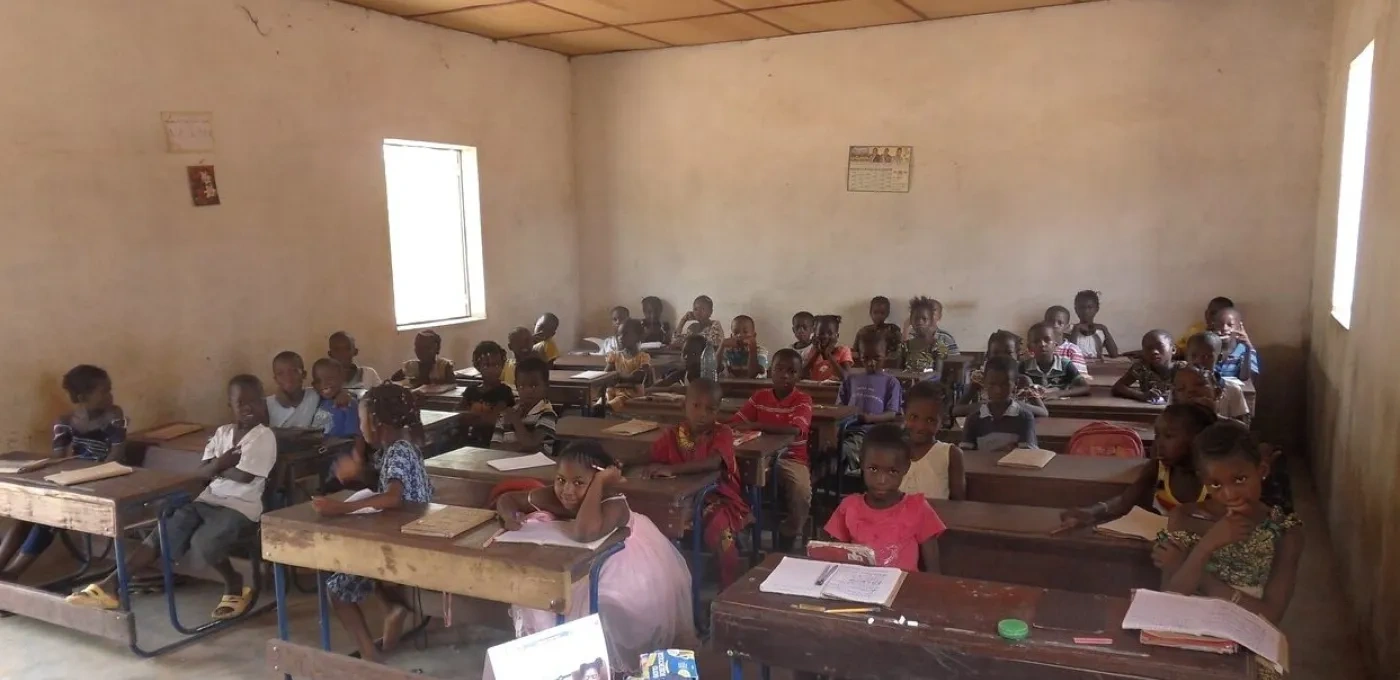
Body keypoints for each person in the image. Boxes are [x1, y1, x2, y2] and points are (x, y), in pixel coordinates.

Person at [67, 374, 275, 620]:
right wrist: (221, 464)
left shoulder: (264, 436)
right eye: (241, 402)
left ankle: (235, 583)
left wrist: (215, 467)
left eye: (254, 400)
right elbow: (201, 473)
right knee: (166, 529)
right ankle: (110, 586)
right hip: (207, 499)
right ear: (230, 405)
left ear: (263, 402)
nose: (248, 407)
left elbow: (243, 477)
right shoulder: (222, 433)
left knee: (203, 542)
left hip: (241, 507)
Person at [496, 442, 696, 675]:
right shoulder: (554, 495)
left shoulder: (614, 502)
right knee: (544, 594)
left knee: (604, 608)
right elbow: (508, 499)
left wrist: (601, 483)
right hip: (582, 564)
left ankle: (605, 667)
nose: (567, 490)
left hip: (626, 569)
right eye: (561, 480)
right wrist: (508, 515)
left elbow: (584, 533)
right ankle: (563, 666)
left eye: (579, 483)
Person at [317, 383, 433, 663]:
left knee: (337, 589)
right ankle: (395, 609)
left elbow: (393, 497)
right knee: (363, 558)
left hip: (405, 543)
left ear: (375, 422)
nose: (360, 428)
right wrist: (358, 476)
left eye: (361, 420)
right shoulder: (399, 447)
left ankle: (370, 654)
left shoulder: (399, 450)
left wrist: (342, 508)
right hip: (405, 536)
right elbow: (389, 486)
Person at [1155, 420, 1303, 633]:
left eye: (1240, 479)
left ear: (1261, 470)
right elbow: (1169, 598)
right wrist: (1209, 543)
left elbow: (1269, 617)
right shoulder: (1184, 517)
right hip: (1186, 631)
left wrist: (1197, 571)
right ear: (1203, 481)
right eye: (1216, 484)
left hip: (1248, 639)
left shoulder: (1285, 531)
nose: (1229, 494)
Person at [0, 365, 127, 581]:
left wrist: (85, 475)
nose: (110, 395)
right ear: (82, 396)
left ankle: (13, 573)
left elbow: (116, 456)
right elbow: (59, 459)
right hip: (74, 481)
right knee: (27, 514)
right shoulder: (65, 422)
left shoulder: (113, 416)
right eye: (104, 391)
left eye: (109, 389)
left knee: (48, 518)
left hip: (106, 481)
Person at [641, 379, 749, 587]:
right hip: (682, 497)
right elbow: (650, 454)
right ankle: (671, 581)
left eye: (710, 409)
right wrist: (619, 462)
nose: (702, 414)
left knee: (721, 531)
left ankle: (729, 588)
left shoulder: (722, 433)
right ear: (684, 405)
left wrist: (671, 469)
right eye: (696, 406)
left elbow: (713, 463)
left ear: (718, 411)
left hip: (717, 498)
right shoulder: (675, 434)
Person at [1058, 404, 1218, 529]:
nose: (1158, 444)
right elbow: (1124, 501)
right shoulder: (1159, 467)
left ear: (1198, 439)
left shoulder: (1216, 478)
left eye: (1169, 436)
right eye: (1157, 435)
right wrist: (1092, 512)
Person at [824, 424, 945, 573]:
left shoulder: (918, 508)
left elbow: (933, 571)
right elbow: (835, 559)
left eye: (892, 471)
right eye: (873, 469)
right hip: (857, 589)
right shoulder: (849, 507)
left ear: (906, 468)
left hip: (903, 591)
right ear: (861, 463)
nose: (881, 480)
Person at [729, 348, 812, 552]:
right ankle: (742, 526)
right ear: (769, 371)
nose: (784, 375)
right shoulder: (759, 397)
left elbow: (795, 430)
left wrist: (758, 426)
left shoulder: (803, 400)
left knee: (802, 492)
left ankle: (790, 530)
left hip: (791, 458)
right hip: (759, 457)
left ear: (799, 376)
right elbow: (736, 422)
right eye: (779, 369)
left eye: (792, 371)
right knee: (731, 476)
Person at [837, 335, 902, 473]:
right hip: (844, 429)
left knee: (843, 451)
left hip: (869, 433)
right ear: (859, 356)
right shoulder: (851, 379)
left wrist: (868, 418)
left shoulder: (891, 382)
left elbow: (891, 414)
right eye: (865, 358)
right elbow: (839, 408)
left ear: (886, 355)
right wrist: (847, 414)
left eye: (876, 358)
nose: (871, 363)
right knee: (823, 449)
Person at [955, 330, 1047, 418]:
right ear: (988, 356)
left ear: (1017, 355)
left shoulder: (1023, 381)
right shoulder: (980, 379)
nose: (1002, 357)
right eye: (996, 353)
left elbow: (1043, 412)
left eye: (1008, 353)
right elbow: (957, 410)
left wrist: (1015, 405)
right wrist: (984, 406)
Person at [901, 381, 965, 500]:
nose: (921, 426)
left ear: (943, 420)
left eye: (930, 420)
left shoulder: (950, 454)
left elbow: (958, 505)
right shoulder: (893, 450)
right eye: (914, 417)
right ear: (904, 414)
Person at [961, 356, 1038, 452]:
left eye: (1005, 384)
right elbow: (966, 455)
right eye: (992, 384)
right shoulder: (973, 419)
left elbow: (1026, 455)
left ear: (1015, 384)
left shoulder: (1024, 417)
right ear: (984, 383)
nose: (998, 390)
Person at [1178, 332, 1250, 422]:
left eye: (1207, 356)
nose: (1199, 361)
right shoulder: (1179, 387)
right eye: (1194, 356)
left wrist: (1214, 415)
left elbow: (1243, 428)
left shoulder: (1232, 390)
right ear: (1186, 357)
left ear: (1219, 358)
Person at [492, 357, 557, 455]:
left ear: (546, 386)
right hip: (506, 464)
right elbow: (493, 448)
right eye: (522, 386)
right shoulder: (506, 414)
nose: (528, 391)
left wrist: (515, 420)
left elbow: (530, 444)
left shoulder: (547, 415)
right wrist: (520, 447)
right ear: (516, 387)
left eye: (534, 386)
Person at [458, 341, 516, 446]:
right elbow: (458, 415)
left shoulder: (504, 391)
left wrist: (472, 417)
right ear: (477, 366)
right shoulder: (470, 391)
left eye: (497, 364)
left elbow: (494, 419)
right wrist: (478, 418)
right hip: (470, 441)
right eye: (487, 365)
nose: (493, 369)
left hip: (494, 440)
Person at [1022, 322, 1091, 398]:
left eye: (1047, 340)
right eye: (1036, 341)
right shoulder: (1023, 366)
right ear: (1029, 347)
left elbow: (1085, 388)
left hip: (1061, 407)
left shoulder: (1065, 364)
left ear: (1056, 345)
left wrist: (1057, 394)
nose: (1042, 344)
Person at [267, 351, 331, 430]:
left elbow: (332, 391)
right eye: (280, 373)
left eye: (294, 371)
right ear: (275, 379)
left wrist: (341, 394)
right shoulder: (268, 404)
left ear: (304, 374)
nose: (288, 377)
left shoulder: (314, 395)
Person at [1111, 330, 1177, 404]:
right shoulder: (1141, 368)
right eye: (1149, 348)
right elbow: (1118, 387)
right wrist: (1141, 395)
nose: (1154, 352)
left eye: (1160, 346)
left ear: (1173, 349)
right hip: (1148, 408)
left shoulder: (1182, 369)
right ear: (1143, 352)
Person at [604, 319, 652, 410]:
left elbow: (638, 377)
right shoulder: (615, 355)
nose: (620, 337)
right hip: (615, 389)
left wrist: (618, 377)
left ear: (638, 337)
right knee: (606, 394)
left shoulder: (643, 357)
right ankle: (601, 406)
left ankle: (608, 406)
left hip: (632, 392)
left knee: (621, 398)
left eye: (625, 334)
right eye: (619, 335)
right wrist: (613, 378)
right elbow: (605, 374)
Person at [312, 358, 360, 439]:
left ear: (342, 378)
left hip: (339, 449)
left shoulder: (348, 403)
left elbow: (356, 438)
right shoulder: (315, 400)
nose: (323, 384)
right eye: (318, 381)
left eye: (329, 379)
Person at [902, 296, 950, 374]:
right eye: (916, 318)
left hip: (929, 384)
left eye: (924, 319)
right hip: (908, 383)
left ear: (931, 321)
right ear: (911, 320)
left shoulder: (937, 346)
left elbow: (938, 374)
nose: (920, 322)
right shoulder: (906, 345)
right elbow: (899, 371)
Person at [391, 330, 455, 387]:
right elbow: (393, 380)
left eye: (426, 348)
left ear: (436, 348)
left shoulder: (444, 366)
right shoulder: (412, 366)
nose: (421, 351)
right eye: (418, 347)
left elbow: (452, 386)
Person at [1210, 307, 1259, 380]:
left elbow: (1245, 377)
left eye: (1230, 325)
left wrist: (1248, 349)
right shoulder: (1208, 348)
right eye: (1219, 325)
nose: (1224, 328)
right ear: (1214, 326)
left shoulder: (1245, 350)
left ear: (1239, 327)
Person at [1068, 290, 1119, 360]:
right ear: (1076, 310)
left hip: (1096, 369)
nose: (1085, 311)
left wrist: (1104, 329)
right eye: (1082, 307)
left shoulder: (1100, 331)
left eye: (1090, 307)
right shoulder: (1070, 329)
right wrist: (1075, 330)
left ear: (1096, 309)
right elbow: (1069, 354)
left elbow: (1114, 354)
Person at [804, 315, 853, 382]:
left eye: (830, 333)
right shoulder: (813, 351)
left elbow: (847, 378)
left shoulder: (843, 350)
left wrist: (828, 355)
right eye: (821, 333)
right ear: (814, 335)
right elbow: (801, 374)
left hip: (836, 391)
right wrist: (816, 353)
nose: (825, 336)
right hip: (815, 391)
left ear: (837, 336)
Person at [854, 296, 902, 364]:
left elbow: (899, 352)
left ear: (887, 313)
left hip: (889, 366)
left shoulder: (893, 330)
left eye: (882, 313)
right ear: (870, 313)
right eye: (875, 312)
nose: (878, 316)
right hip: (867, 366)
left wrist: (883, 360)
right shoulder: (863, 332)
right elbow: (856, 352)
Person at [1043, 306, 1090, 376]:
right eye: (1050, 321)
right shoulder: (1037, 347)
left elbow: (1079, 380)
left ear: (1067, 327)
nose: (1055, 325)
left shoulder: (1073, 350)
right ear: (1044, 323)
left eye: (1060, 323)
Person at [720, 314, 768, 378]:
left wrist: (752, 348)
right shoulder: (728, 351)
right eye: (736, 332)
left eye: (745, 332)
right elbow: (714, 370)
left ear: (754, 336)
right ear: (731, 336)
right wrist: (721, 346)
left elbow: (752, 374)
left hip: (755, 387)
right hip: (732, 386)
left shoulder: (760, 350)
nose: (740, 335)